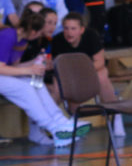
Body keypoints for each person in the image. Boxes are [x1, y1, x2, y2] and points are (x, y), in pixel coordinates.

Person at [0, 12, 89, 147]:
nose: (39, 36)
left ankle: (62, 121)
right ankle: (54, 128)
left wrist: (34, 63)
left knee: (36, 83)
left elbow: (13, 67)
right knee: (25, 88)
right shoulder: (7, 36)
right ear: (34, 32)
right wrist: (28, 70)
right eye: (40, 33)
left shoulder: (23, 40)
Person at [51, 12, 125, 135]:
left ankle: (115, 113)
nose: (69, 33)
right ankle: (67, 120)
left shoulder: (91, 36)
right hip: (69, 75)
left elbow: (99, 62)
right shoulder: (57, 40)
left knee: (102, 76)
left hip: (90, 71)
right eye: (66, 28)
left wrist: (80, 72)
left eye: (73, 29)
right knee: (58, 87)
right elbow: (57, 66)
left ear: (81, 30)